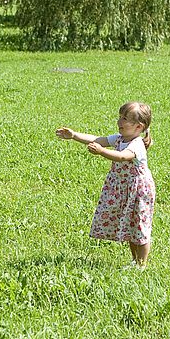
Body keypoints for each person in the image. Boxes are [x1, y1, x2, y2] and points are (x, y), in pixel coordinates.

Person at [56, 101, 156, 268]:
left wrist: (102, 152)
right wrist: (74, 135)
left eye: (125, 118)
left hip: (138, 190)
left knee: (140, 227)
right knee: (131, 228)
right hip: (124, 189)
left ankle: (142, 265)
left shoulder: (136, 144)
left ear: (139, 127)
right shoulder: (119, 138)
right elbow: (97, 139)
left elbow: (123, 157)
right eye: (120, 117)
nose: (119, 122)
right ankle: (135, 261)